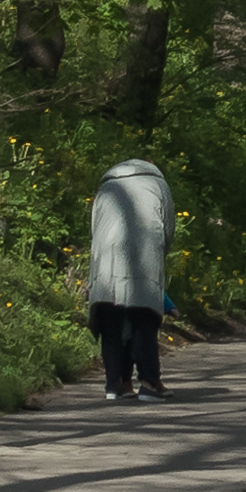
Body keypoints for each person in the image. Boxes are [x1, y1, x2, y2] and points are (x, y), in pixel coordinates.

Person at [81, 151, 178, 400]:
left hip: (106, 262)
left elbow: (94, 228)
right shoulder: (158, 185)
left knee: (111, 323)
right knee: (143, 321)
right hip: (144, 259)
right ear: (151, 168)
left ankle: (116, 385)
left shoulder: (107, 187)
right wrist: (159, 256)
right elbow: (168, 228)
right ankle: (148, 382)